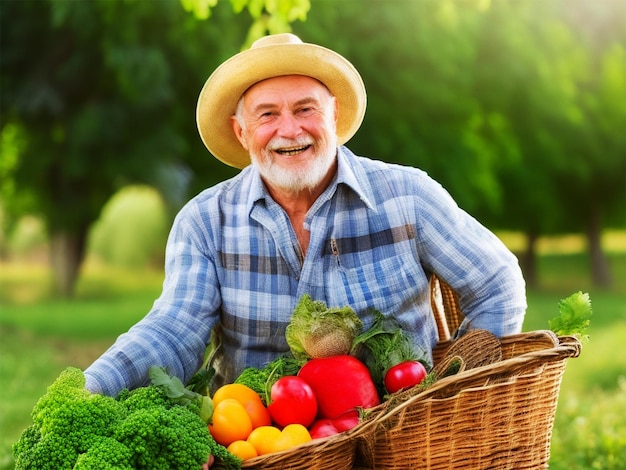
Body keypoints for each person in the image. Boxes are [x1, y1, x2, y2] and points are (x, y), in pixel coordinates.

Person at [84, 33, 526, 397]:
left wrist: (457, 387)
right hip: (260, 448)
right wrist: (93, 388)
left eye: (305, 109)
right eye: (268, 114)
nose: (290, 130)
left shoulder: (406, 195)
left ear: (333, 114)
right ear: (242, 132)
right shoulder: (204, 223)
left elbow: (497, 282)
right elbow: (174, 329)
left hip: (404, 442)